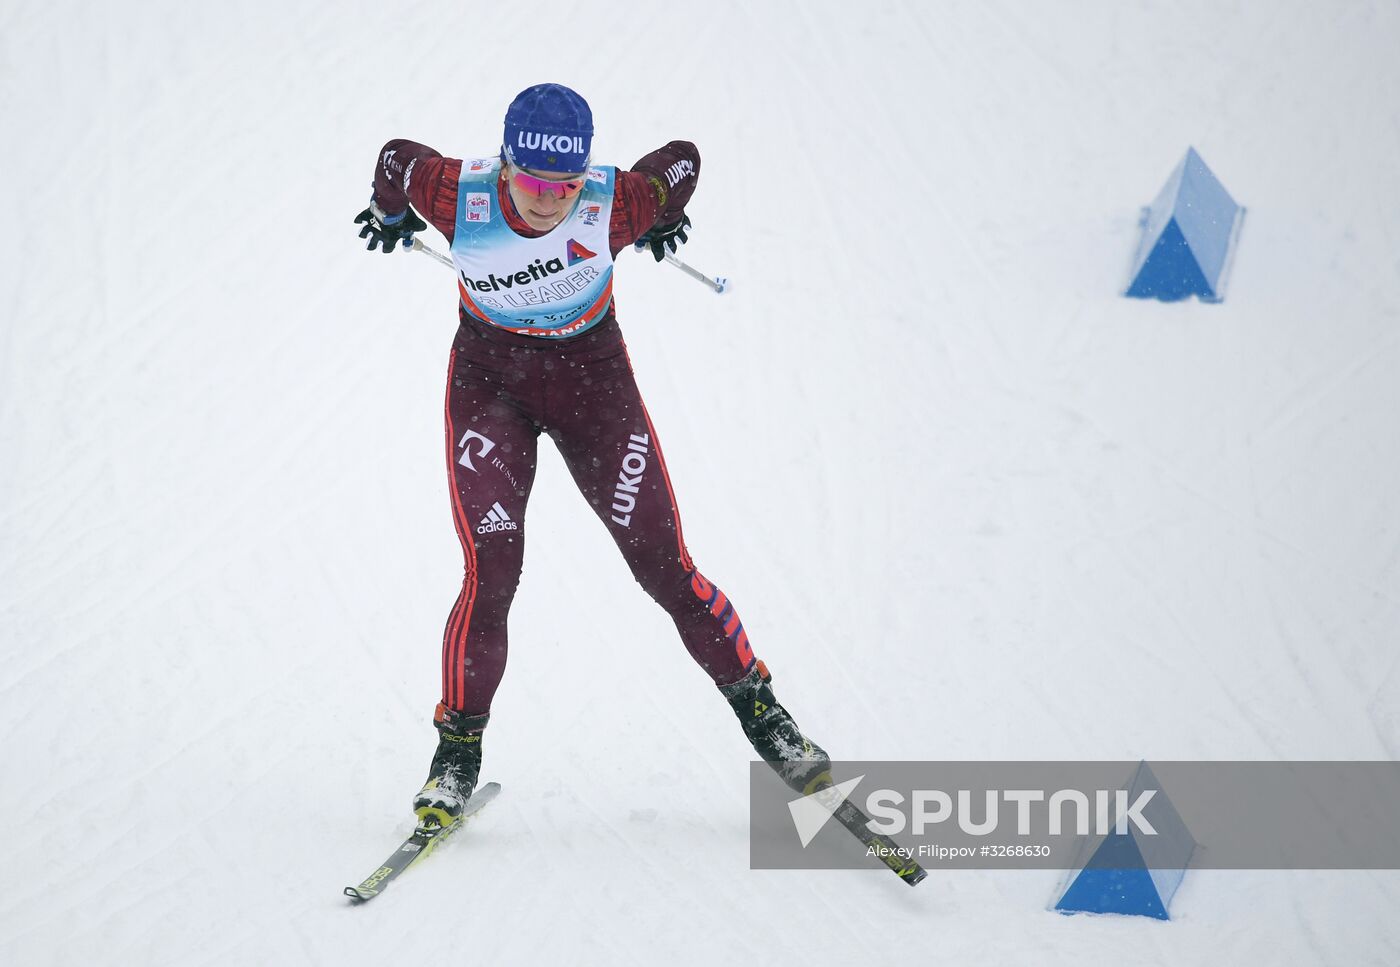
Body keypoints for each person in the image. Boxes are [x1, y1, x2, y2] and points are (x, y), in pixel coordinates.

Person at [354, 83, 830, 828]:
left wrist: (667, 215)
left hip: (593, 388)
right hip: (491, 388)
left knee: (664, 566)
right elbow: (393, 159)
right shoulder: (453, 192)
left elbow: (683, 161)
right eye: (536, 184)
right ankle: (457, 753)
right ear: (506, 165)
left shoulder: (619, 201)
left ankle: (768, 717)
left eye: (567, 186)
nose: (551, 202)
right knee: (493, 567)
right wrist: (387, 212)